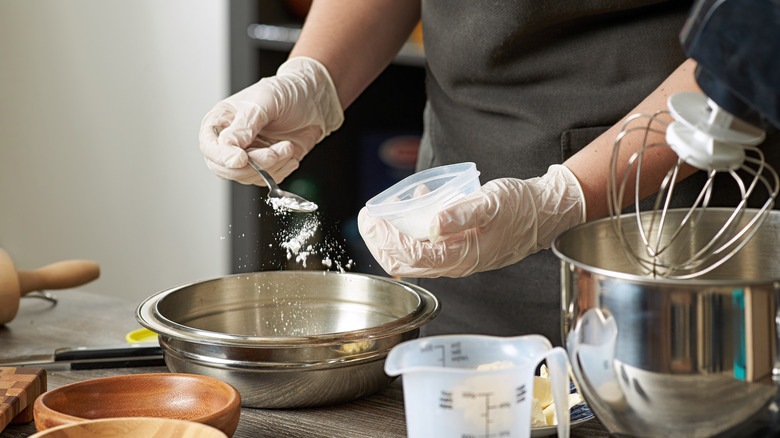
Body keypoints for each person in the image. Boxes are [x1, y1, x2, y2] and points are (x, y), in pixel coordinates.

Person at [199, 0, 778, 345]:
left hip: (684, 229)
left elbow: (752, 42)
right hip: (463, 253)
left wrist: (562, 197)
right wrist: (313, 77)